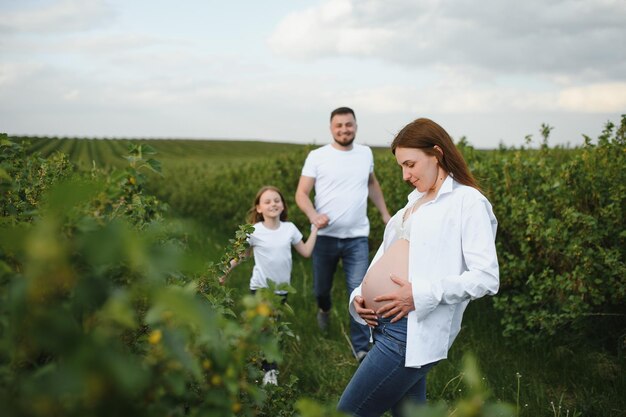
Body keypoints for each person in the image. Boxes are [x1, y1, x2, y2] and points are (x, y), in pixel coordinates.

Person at [337, 118, 500, 417]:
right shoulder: (412, 204)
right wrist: (359, 297)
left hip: (410, 331)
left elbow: (486, 278)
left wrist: (420, 295)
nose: (404, 175)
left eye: (410, 164)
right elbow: (384, 256)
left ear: (436, 153)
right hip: (384, 326)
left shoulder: (467, 202)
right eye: (401, 166)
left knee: (348, 411)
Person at [295, 107, 391, 362]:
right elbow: (301, 194)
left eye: (348, 125)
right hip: (325, 236)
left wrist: (384, 213)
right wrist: (313, 216)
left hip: (357, 236)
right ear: (331, 128)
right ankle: (324, 310)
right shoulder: (317, 156)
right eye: (339, 125)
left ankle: (361, 348)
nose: (344, 129)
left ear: (356, 126)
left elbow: (372, 183)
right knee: (320, 290)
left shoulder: (365, 153)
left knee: (359, 291)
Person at [221, 185, 318, 386]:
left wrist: (315, 227)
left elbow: (306, 251)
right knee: (266, 329)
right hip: (260, 289)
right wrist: (224, 272)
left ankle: (258, 362)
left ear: (282, 205)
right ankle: (269, 371)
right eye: (267, 201)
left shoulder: (289, 228)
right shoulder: (254, 231)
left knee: (272, 329)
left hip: (281, 291)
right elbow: (241, 256)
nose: (273, 204)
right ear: (258, 208)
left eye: (277, 200)